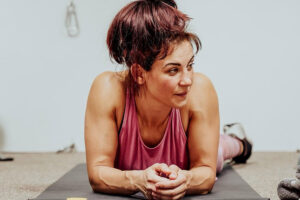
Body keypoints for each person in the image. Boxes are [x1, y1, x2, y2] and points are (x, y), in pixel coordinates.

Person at [84, 0, 252, 199]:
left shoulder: (199, 89)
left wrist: (186, 180)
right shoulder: (107, 89)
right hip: (157, 161)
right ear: (139, 73)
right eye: (173, 70)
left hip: (188, 157)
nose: (188, 80)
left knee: (220, 151)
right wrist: (138, 180)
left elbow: (205, 172)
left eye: (190, 65)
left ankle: (238, 141)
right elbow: (97, 173)